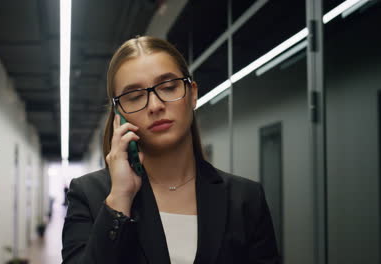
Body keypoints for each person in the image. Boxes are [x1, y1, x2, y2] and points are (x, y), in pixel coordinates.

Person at [61, 36, 281, 264]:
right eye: (135, 97)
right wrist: (120, 199)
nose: (155, 106)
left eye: (168, 87)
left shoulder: (245, 198)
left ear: (192, 94)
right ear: (118, 114)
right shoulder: (90, 195)